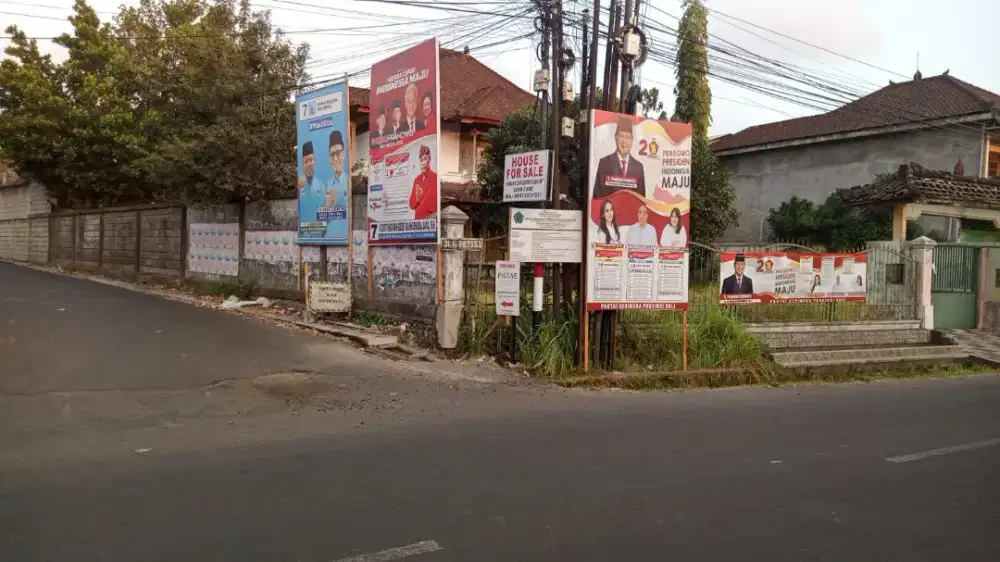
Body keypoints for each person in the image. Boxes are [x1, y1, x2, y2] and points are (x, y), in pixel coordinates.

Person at [592, 116, 646, 198]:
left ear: (632, 140)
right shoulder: (604, 163)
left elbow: (641, 199)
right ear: (615, 137)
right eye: (621, 136)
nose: (624, 141)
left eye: (628, 137)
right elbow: (597, 196)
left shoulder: (638, 167)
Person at [408, 145, 438, 219]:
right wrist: (418, 198)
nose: (423, 163)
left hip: (430, 221)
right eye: (421, 160)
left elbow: (434, 206)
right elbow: (411, 205)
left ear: (429, 159)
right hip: (418, 223)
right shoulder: (417, 180)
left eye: (425, 159)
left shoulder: (435, 178)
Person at [322, 130, 347, 209]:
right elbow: (322, 215)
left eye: (338, 153)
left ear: (343, 154)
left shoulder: (348, 181)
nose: (335, 159)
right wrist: (328, 203)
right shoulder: (327, 184)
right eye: (332, 155)